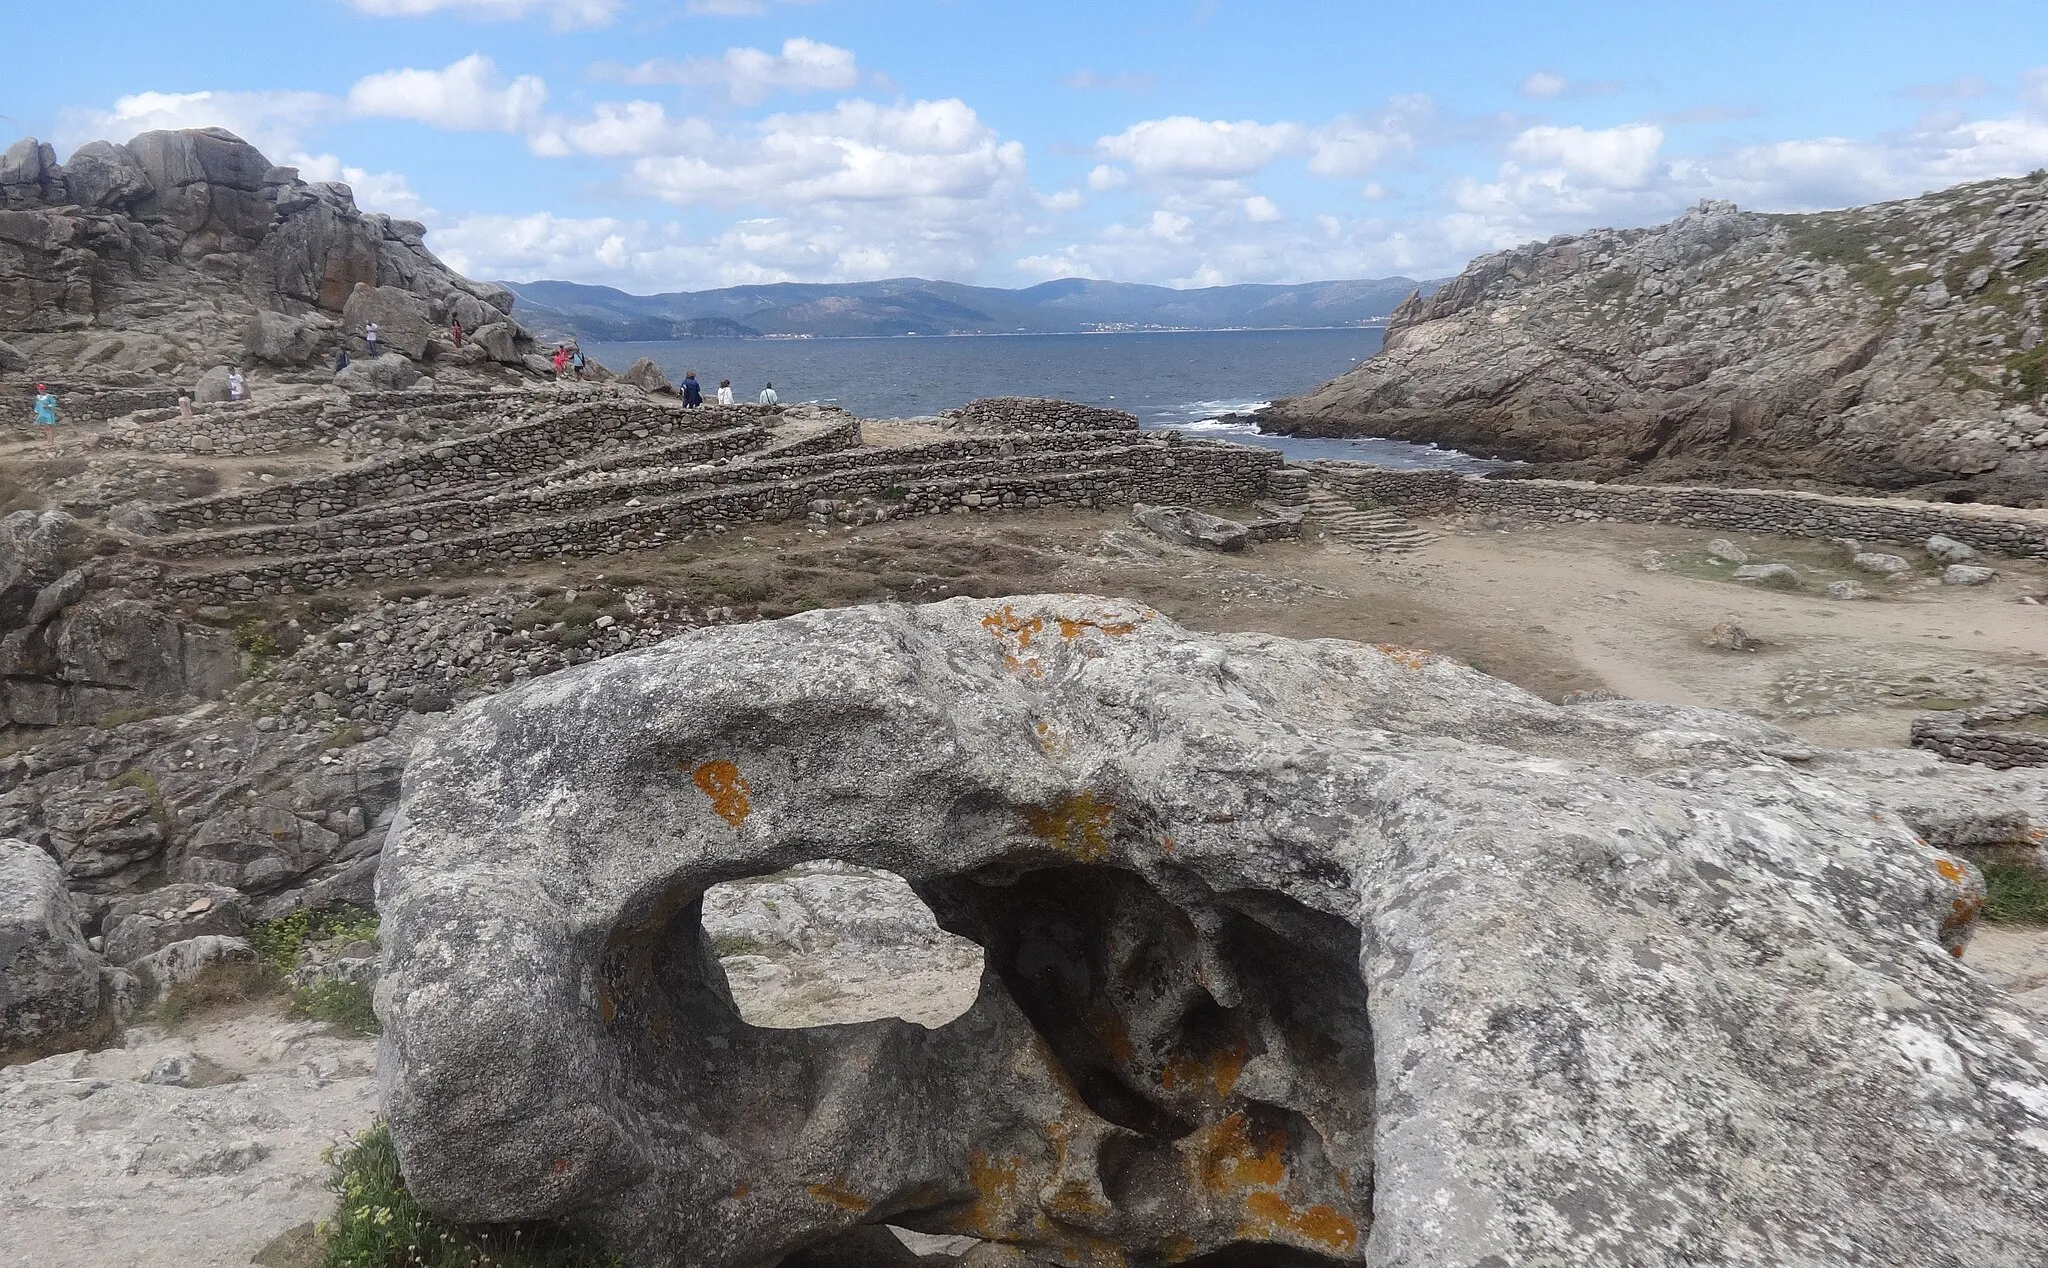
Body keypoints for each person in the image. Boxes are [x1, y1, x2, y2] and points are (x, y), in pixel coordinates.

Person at [32, 383, 57, 449]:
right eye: (40, 389)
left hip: (48, 413)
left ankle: (52, 441)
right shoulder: (38, 397)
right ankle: (48, 440)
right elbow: (37, 405)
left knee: (50, 427)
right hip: (42, 413)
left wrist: (48, 406)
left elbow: (53, 403)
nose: (41, 390)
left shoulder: (48, 396)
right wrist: (37, 413)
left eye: (42, 389)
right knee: (46, 428)